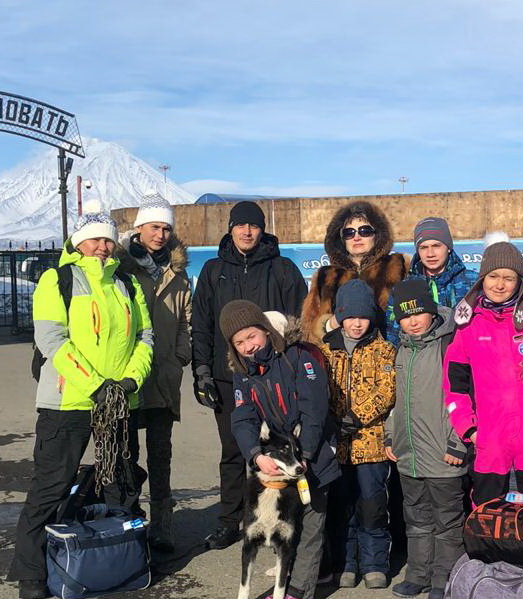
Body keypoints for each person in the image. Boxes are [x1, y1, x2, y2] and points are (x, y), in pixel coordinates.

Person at [7, 202, 153, 599]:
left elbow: (144, 338)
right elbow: (52, 340)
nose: (103, 246)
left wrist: (127, 381)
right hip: (67, 403)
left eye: (108, 239)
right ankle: (31, 571)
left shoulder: (127, 283)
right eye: (95, 239)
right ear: (78, 242)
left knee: (120, 485)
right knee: (50, 487)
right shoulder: (56, 280)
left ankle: (123, 559)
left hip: (118, 402)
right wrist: (95, 385)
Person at [190, 201, 308, 550]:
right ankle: (232, 521)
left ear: (262, 230)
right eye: (240, 226)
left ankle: (282, 519)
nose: (246, 232)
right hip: (228, 377)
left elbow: (300, 321)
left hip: (276, 376)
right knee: (233, 451)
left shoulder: (282, 268)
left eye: (253, 226)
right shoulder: (213, 271)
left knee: (280, 450)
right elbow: (201, 325)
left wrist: (295, 368)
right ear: (230, 229)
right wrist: (202, 372)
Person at [221, 300, 339, 599]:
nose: (248, 346)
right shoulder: (242, 374)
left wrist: (306, 456)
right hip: (279, 458)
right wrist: (255, 455)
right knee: (291, 517)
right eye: (240, 342)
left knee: (312, 515)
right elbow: (243, 417)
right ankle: (314, 569)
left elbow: (313, 410)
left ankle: (301, 589)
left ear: (265, 330)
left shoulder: (297, 357)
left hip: (310, 452)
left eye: (252, 336)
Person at [443, 235, 523, 506]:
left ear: (519, 283)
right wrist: (470, 430)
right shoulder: (468, 327)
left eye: (509, 278)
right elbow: (455, 388)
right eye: (493, 276)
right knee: (488, 520)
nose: (500, 285)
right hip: (490, 441)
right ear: (482, 280)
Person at [384, 280, 467, 599]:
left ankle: (444, 577)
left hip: (444, 454)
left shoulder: (450, 345)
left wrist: (459, 442)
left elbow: (466, 398)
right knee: (416, 519)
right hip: (410, 455)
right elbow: (396, 401)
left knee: (447, 522)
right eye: (406, 316)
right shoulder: (402, 350)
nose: (414, 320)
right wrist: (391, 435)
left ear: (431, 312)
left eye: (419, 312)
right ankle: (418, 574)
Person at [118, 192, 191, 552]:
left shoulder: (178, 272)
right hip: (128, 377)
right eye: (153, 227)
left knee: (161, 457)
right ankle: (129, 525)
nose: (160, 234)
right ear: (139, 229)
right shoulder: (120, 267)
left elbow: (186, 320)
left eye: (165, 228)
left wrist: (180, 355)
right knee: (125, 456)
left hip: (163, 377)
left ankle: (163, 527)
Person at [320, 280, 397, 589]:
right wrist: (335, 419)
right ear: (339, 316)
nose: (356, 323)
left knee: (372, 505)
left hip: (371, 445)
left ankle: (375, 563)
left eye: (362, 317)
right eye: (349, 317)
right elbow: (317, 390)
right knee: (343, 505)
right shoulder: (327, 350)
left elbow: (387, 390)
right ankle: (347, 562)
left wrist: (358, 415)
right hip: (337, 444)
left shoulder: (384, 349)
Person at [301, 200, 407, 346]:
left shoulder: (399, 266)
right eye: (349, 233)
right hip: (339, 361)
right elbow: (308, 330)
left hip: (388, 359)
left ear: (377, 235)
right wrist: (328, 325)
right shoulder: (325, 276)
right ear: (341, 239)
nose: (357, 237)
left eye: (365, 231)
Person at [386, 217, 477, 345]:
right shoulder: (404, 289)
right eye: (423, 247)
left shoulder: (473, 282)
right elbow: (392, 336)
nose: (430, 254)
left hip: (462, 359)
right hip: (421, 360)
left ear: (449, 247)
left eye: (436, 246)